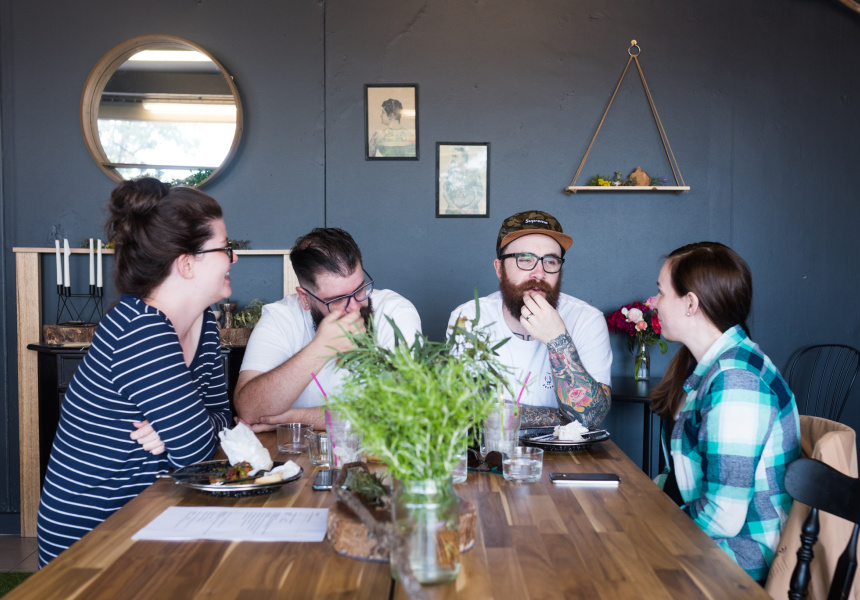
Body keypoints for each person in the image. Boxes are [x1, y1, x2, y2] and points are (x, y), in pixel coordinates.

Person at [37, 178, 234, 566]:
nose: (234, 258)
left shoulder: (206, 324)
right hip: (93, 535)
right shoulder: (140, 329)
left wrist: (179, 428)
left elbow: (222, 422)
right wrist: (187, 430)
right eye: (225, 248)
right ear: (187, 264)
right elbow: (195, 449)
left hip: (155, 511)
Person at [649, 242, 800, 585]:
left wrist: (649, 524)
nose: (653, 302)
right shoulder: (715, 364)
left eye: (661, 292)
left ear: (690, 304)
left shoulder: (737, 382)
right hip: (710, 545)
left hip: (735, 562)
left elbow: (722, 517)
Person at [234, 228, 422, 430]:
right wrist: (321, 348)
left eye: (360, 289)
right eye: (338, 299)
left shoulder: (395, 312)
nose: (354, 308)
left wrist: (294, 418)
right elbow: (249, 411)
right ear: (305, 298)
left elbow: (403, 409)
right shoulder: (280, 318)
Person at [447, 210, 612, 427]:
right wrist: (563, 418)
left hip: (567, 451)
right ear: (499, 269)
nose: (539, 273)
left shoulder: (587, 320)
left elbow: (590, 417)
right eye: (525, 260)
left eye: (550, 261)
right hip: (491, 448)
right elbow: (464, 409)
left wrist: (557, 339)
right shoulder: (470, 318)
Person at [439, 146, 484, 215]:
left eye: (455, 156)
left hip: (470, 211)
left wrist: (469, 207)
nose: (452, 159)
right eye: (452, 156)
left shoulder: (474, 172)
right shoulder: (451, 172)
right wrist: (452, 205)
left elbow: (480, 193)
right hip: (453, 211)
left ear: (464, 158)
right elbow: (444, 191)